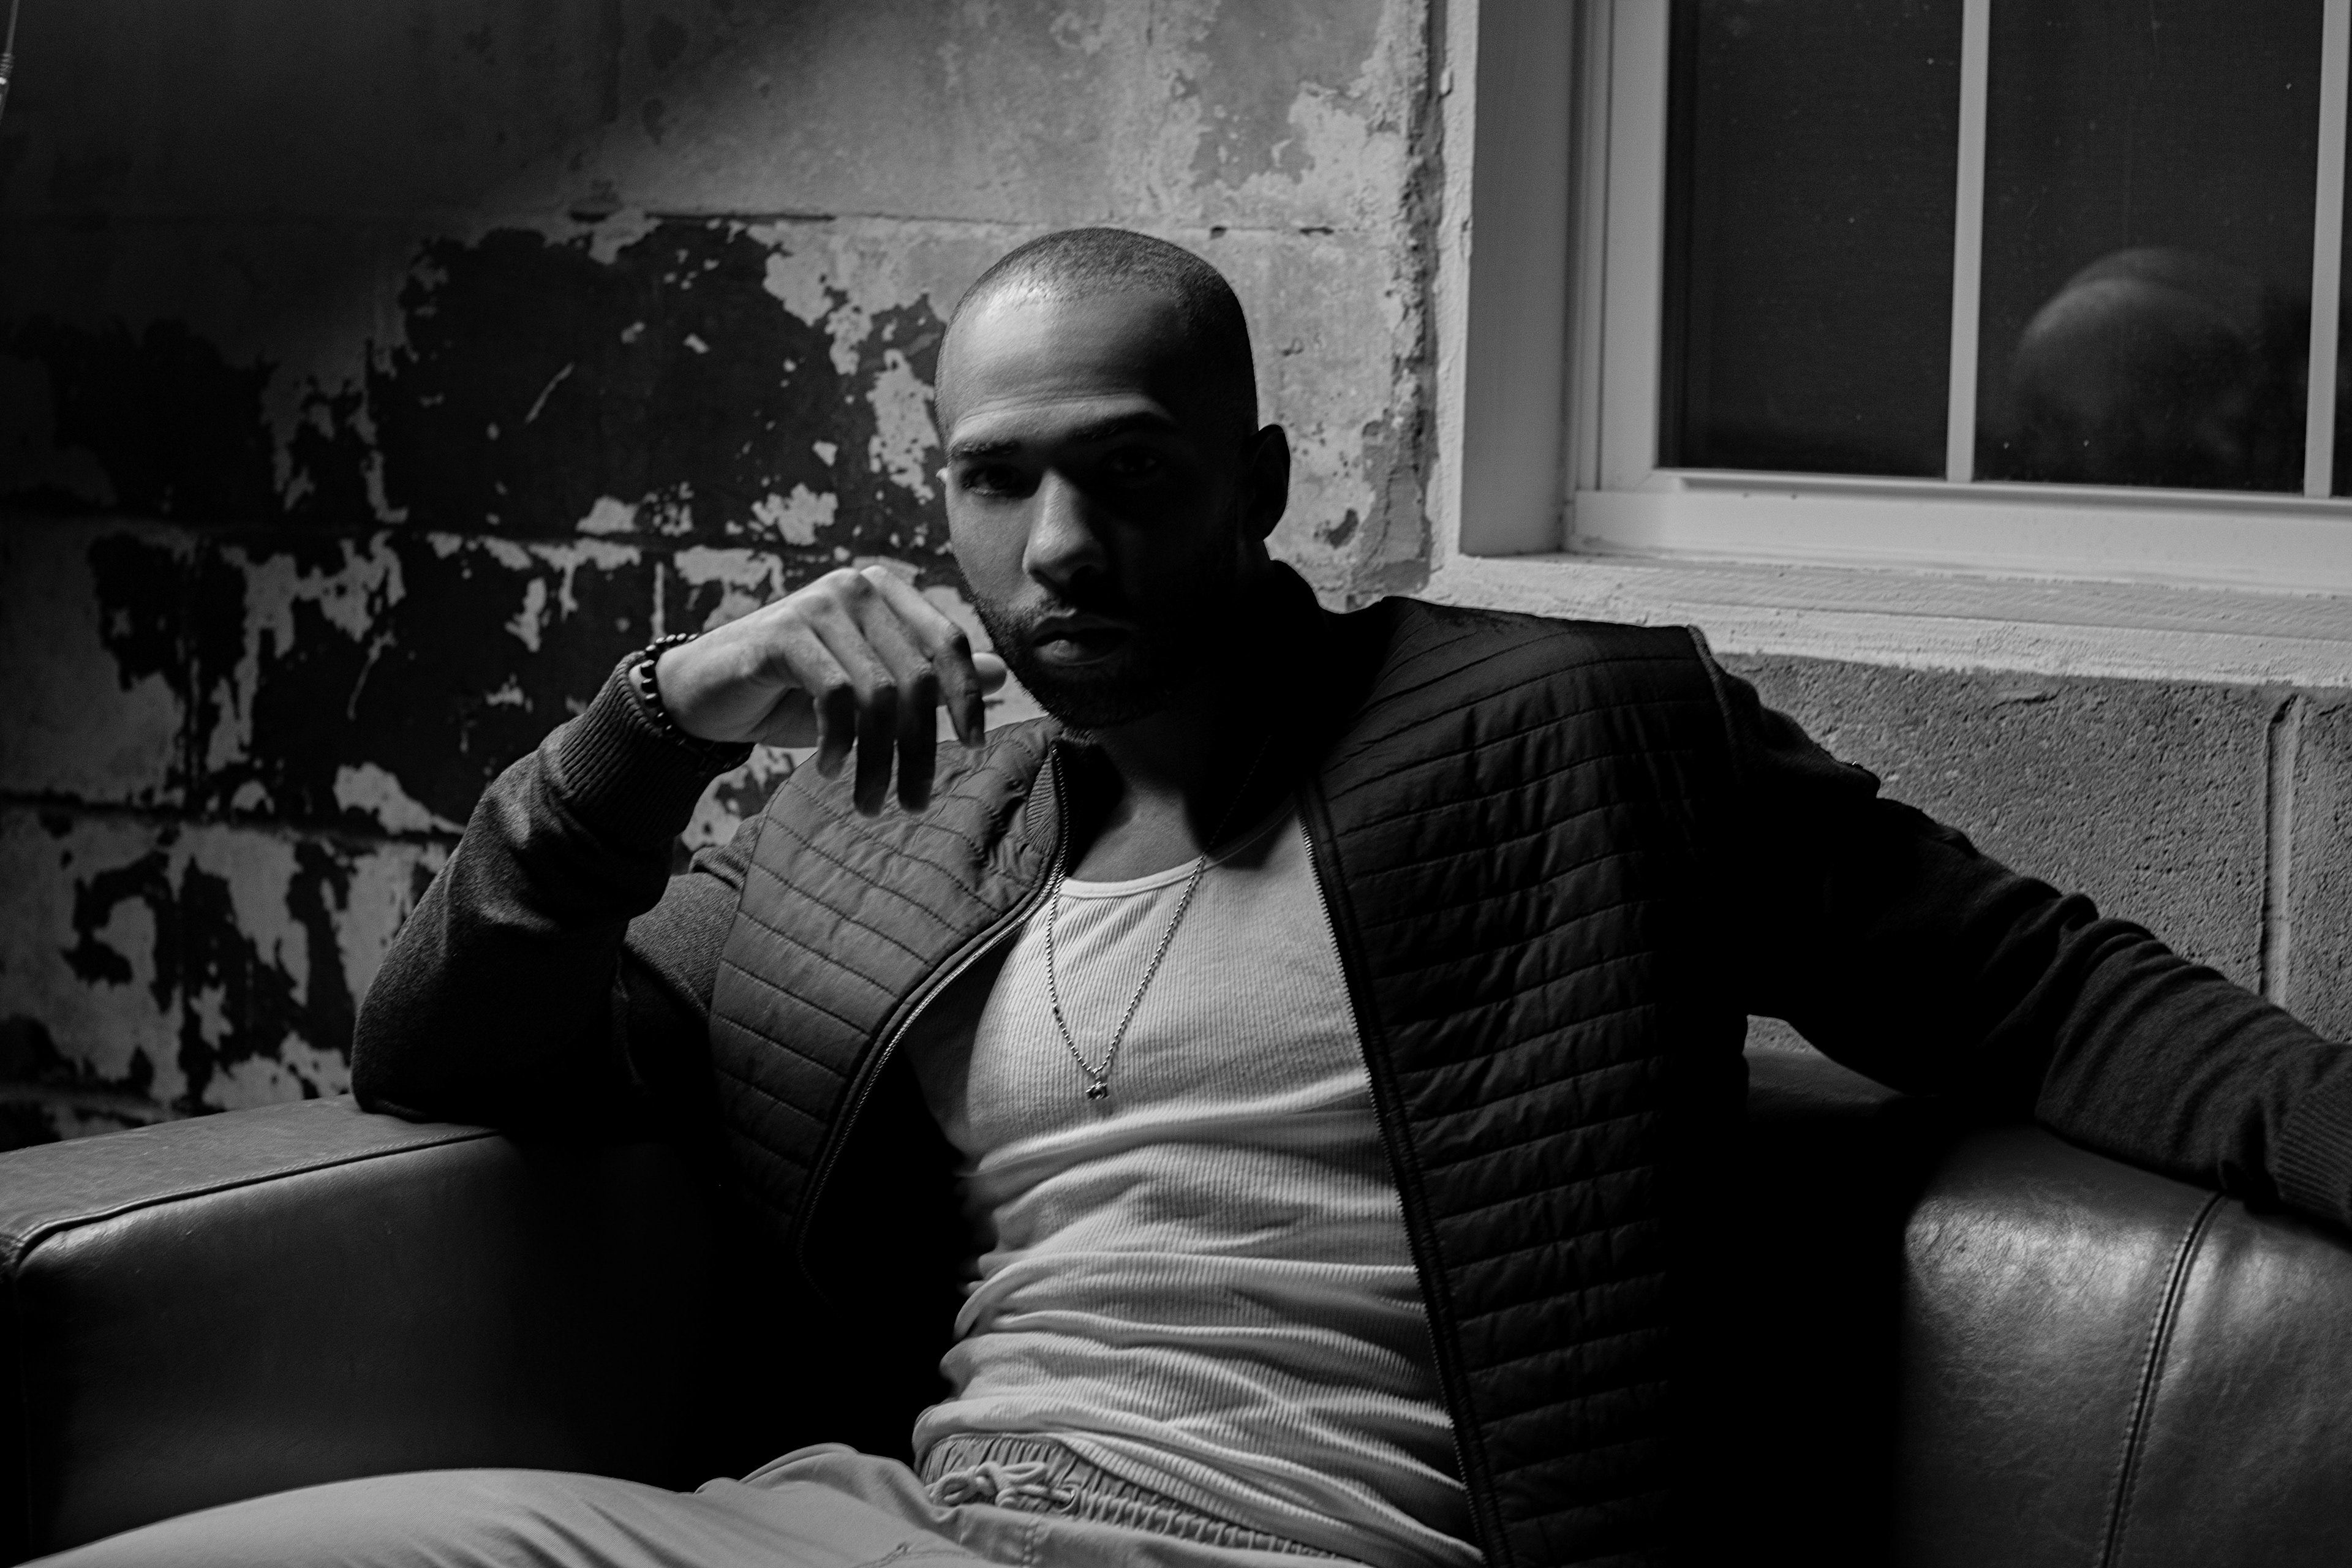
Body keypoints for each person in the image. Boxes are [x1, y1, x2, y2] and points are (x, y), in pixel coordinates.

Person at [43, 228, 2352, 1568]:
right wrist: (659, 717)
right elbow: (440, 1050)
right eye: (999, 483)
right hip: (890, 1522)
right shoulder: (875, 827)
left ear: (1254, 483)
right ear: (938, 507)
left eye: (1131, 474)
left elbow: (2045, 995)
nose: (1063, 548)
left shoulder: (1566, 738)